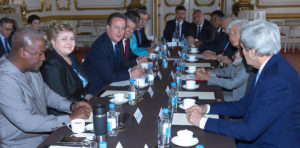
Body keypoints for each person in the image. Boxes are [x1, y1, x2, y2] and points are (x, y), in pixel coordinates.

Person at [186, 20, 300, 147]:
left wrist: (202, 122)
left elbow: (249, 131)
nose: (241, 52)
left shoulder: (278, 81)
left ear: (252, 52)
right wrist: (206, 108)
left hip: (269, 143)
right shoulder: (270, 66)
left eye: (242, 48)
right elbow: (245, 105)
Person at [0, 27, 91, 148]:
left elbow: (46, 93)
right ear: (22, 52)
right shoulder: (4, 79)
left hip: (44, 136)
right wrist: (70, 118)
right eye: (39, 54)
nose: (43, 58)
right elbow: (27, 122)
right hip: (21, 144)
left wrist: (71, 106)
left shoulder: (31, 66)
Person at [83, 13, 144, 95]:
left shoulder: (116, 42)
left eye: (122, 28)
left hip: (109, 85)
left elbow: (119, 66)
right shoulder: (100, 47)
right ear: (108, 28)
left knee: (138, 92)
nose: (120, 32)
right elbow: (109, 77)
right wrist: (131, 74)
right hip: (97, 91)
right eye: (116, 27)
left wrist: (132, 70)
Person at [41, 21, 92, 115]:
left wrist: (86, 94)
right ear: (53, 41)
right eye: (64, 39)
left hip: (81, 104)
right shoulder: (52, 63)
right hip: (65, 114)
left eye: (72, 39)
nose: (69, 43)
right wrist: (82, 103)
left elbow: (79, 81)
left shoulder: (71, 56)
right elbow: (61, 97)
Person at [195, 20, 249, 102]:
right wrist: (208, 72)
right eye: (230, 34)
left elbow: (232, 84)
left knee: (202, 99)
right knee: (199, 93)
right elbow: (228, 71)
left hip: (239, 101)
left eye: (235, 33)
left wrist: (206, 77)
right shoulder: (239, 52)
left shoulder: (249, 56)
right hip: (231, 94)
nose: (231, 37)